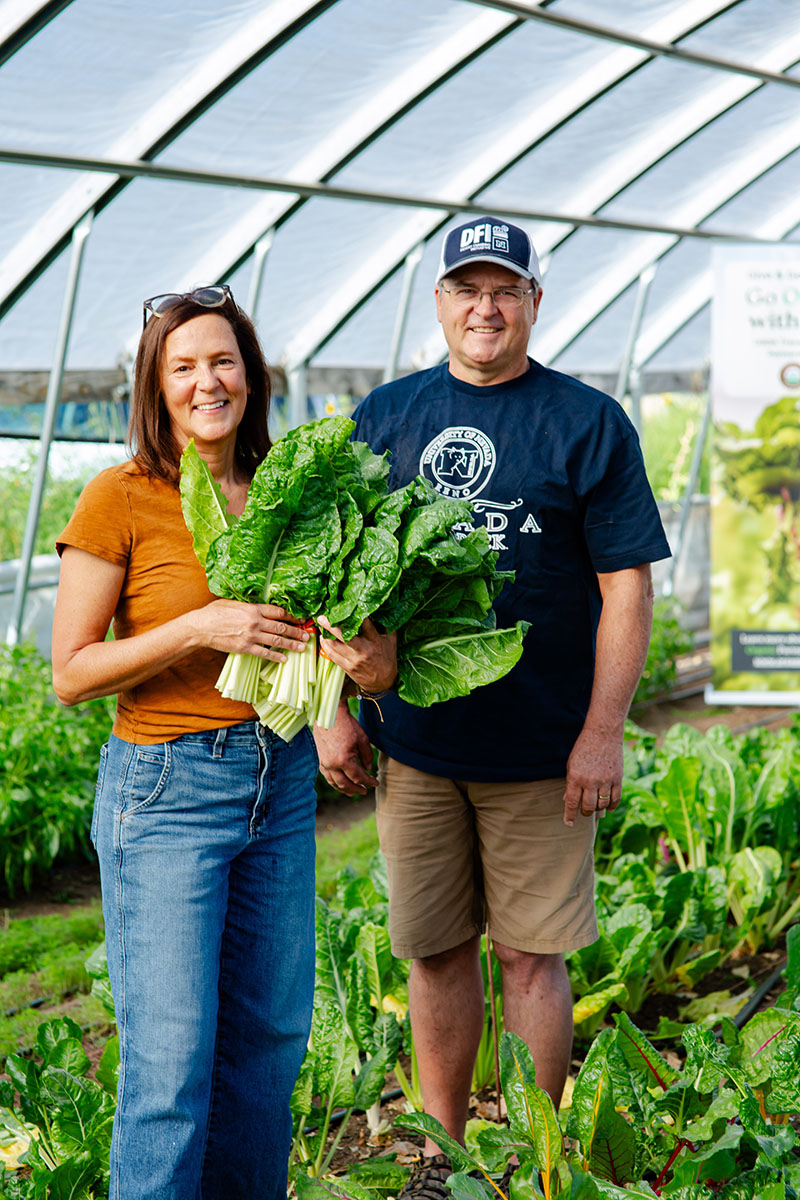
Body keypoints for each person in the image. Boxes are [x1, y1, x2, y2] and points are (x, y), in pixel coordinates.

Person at [313, 216, 671, 1195]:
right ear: (436, 302)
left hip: (543, 751)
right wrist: (328, 709)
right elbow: (331, 576)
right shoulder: (382, 418)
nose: (484, 307)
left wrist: (601, 733)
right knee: (432, 952)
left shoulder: (584, 423)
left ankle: (534, 1155)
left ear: (532, 304)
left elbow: (624, 590)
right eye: (465, 288)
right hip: (417, 745)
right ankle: (442, 1153)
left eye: (503, 289)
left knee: (528, 955)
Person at [51, 285, 395, 1200]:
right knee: (169, 1066)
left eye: (224, 361)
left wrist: (342, 696)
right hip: (166, 791)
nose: (209, 382)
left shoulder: (297, 487)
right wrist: (197, 628)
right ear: (155, 388)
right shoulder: (121, 496)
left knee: (270, 1044)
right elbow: (73, 671)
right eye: (185, 367)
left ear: (253, 375)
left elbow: (335, 633)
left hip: (277, 785)